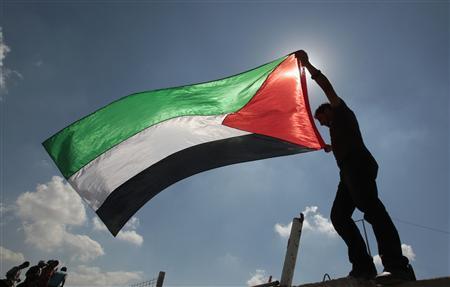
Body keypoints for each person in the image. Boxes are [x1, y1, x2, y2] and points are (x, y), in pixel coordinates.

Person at [296, 50, 415, 283]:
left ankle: (397, 265)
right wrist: (330, 146)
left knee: (371, 209)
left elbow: (326, 87)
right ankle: (363, 266)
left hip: (358, 164)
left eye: (322, 119)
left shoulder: (341, 111)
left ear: (328, 110)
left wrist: (307, 65)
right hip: (347, 171)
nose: (322, 123)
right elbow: (344, 140)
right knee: (339, 216)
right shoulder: (336, 129)